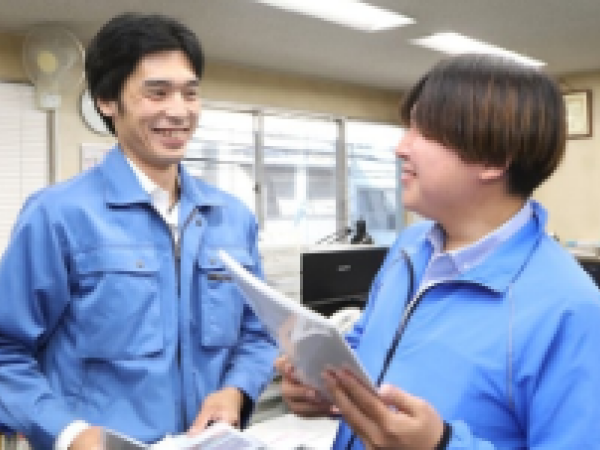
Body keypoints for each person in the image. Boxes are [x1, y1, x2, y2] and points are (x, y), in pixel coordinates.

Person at [276, 54, 600, 449]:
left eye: (423, 131)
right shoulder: (409, 247)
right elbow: (366, 348)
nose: (400, 147)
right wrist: (325, 385)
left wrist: (441, 445)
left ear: (492, 160)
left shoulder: (571, 310)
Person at [0, 13, 277, 450]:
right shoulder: (58, 215)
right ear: (106, 100)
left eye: (190, 93)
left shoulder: (232, 217)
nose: (179, 111)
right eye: (157, 93)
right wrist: (68, 432)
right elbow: (6, 352)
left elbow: (258, 333)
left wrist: (236, 390)